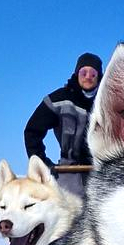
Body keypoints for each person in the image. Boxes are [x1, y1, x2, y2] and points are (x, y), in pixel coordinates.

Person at [24, 52, 103, 196]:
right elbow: (32, 131)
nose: (88, 77)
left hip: (102, 171)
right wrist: (42, 164)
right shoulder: (59, 100)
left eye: (93, 74)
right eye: (83, 72)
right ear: (76, 74)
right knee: (69, 213)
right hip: (69, 173)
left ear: (99, 76)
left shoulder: (108, 102)